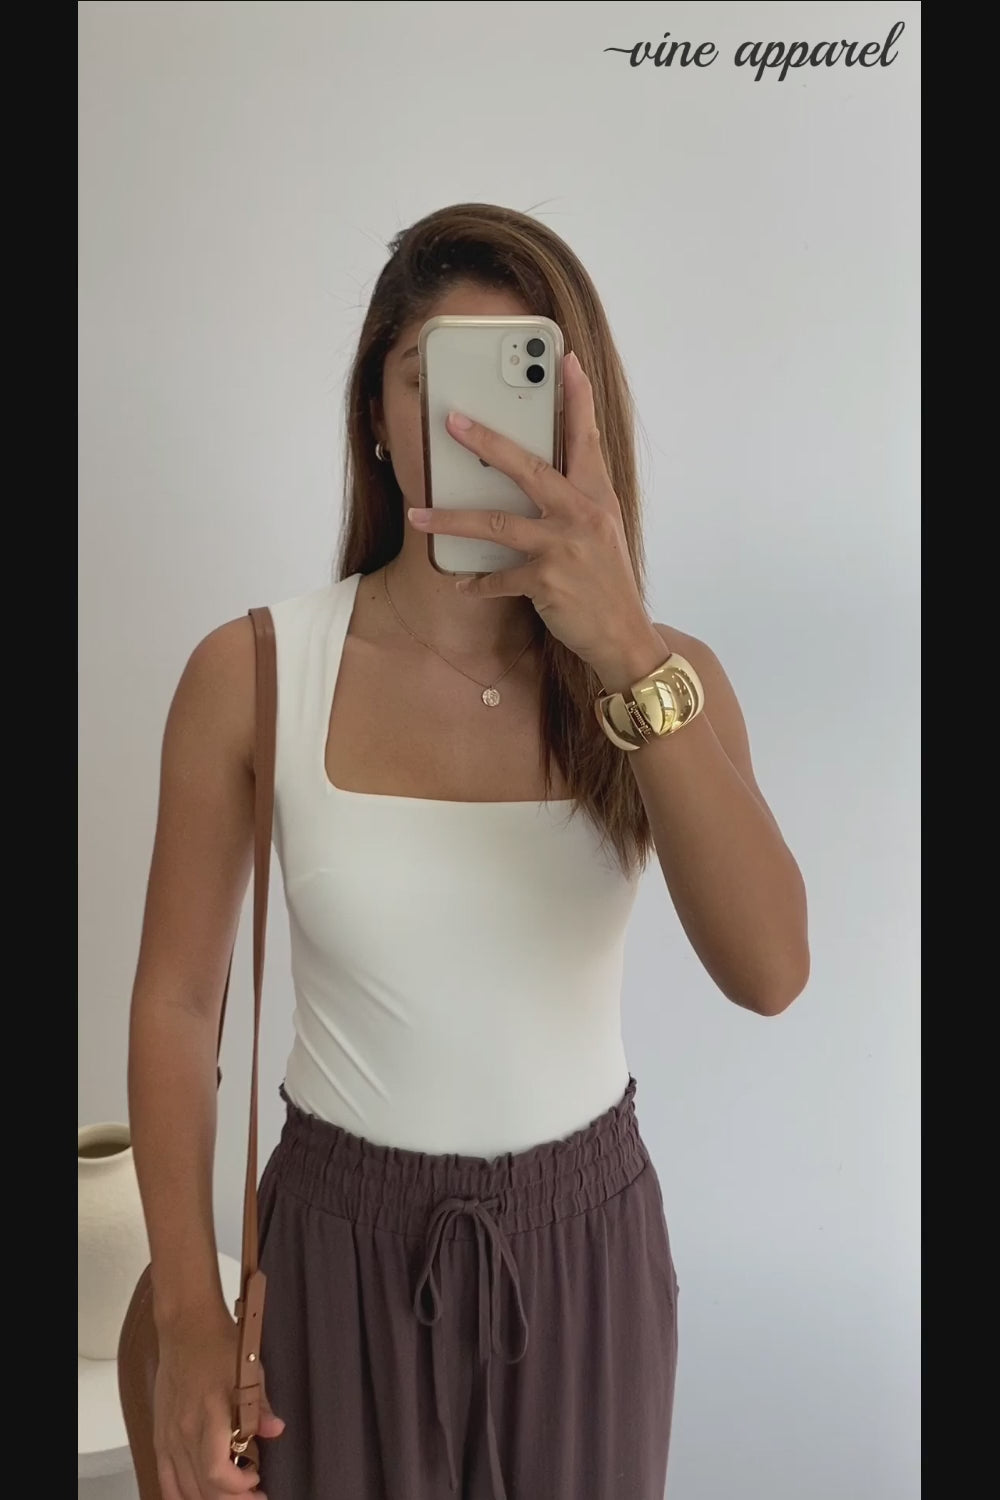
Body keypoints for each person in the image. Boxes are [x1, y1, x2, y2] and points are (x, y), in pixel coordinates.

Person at [126, 202, 810, 1500]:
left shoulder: (667, 679)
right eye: (428, 377)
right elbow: (175, 1002)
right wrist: (186, 1319)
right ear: (375, 417)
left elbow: (771, 971)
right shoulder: (254, 672)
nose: (472, 428)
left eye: (516, 383)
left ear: (578, 417)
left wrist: (625, 643)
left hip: (587, 1255)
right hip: (332, 1250)